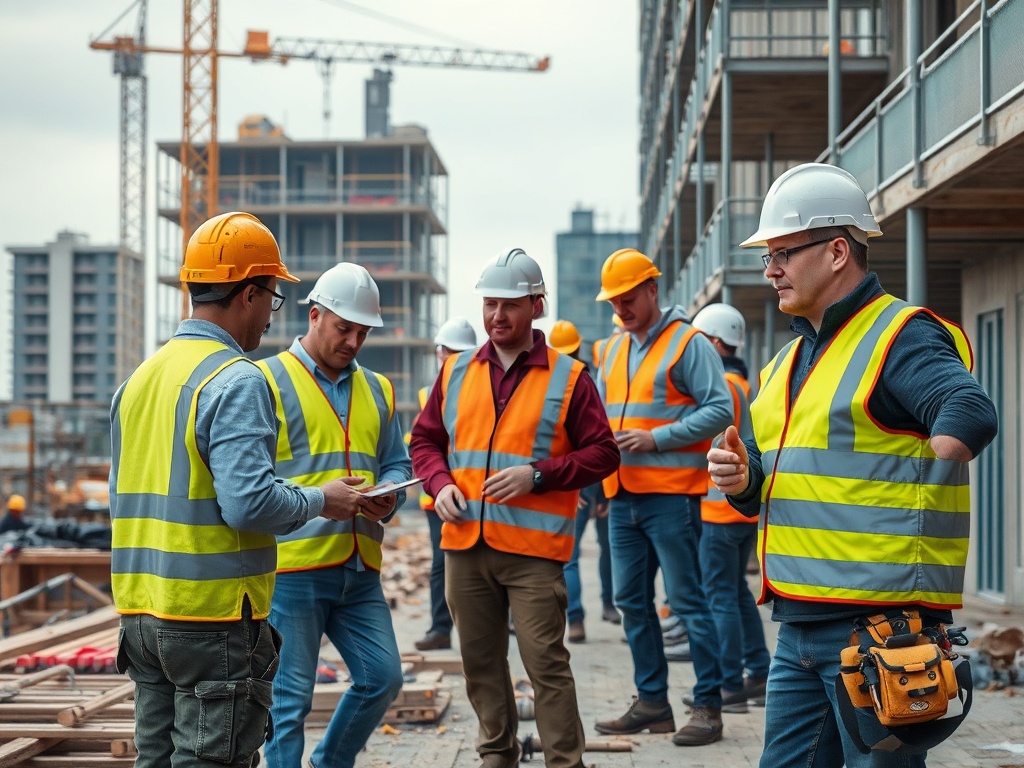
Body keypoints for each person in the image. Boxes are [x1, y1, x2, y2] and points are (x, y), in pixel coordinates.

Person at [706, 163, 998, 767]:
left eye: (783, 253)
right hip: (799, 623)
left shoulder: (900, 336)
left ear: (838, 251)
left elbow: (968, 408)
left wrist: (936, 462)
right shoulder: (786, 362)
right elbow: (773, 479)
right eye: (767, 256)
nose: (770, 269)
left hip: (884, 628)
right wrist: (743, 478)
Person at [109, 211, 370, 768]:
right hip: (212, 617)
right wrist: (322, 499)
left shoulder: (139, 381)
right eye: (272, 298)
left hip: (141, 612)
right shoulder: (235, 378)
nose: (271, 318)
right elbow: (249, 504)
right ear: (249, 293)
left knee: (154, 760)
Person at [410, 248, 619, 768]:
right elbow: (425, 441)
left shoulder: (570, 377)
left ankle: (565, 762)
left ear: (536, 306)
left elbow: (604, 453)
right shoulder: (455, 371)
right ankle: (496, 756)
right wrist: (439, 483)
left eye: (509, 305)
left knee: (546, 665)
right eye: (490, 304)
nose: (497, 316)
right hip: (465, 545)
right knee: (479, 663)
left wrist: (538, 475)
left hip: (533, 552)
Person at [257, 262, 413, 768]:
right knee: (289, 703)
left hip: (359, 566)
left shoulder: (379, 388)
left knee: (382, 677)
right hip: (293, 567)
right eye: (344, 328)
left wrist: (391, 493)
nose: (353, 341)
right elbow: (251, 480)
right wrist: (320, 498)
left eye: (363, 332)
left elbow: (397, 461)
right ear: (315, 315)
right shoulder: (267, 380)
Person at [591, 248, 734, 747]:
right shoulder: (611, 349)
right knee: (630, 602)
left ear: (652, 290)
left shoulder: (687, 344)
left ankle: (709, 707)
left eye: (628, 299)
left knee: (688, 602)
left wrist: (658, 438)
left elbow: (720, 408)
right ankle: (653, 702)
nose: (621, 309)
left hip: (671, 497)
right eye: (614, 301)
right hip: (622, 496)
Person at [683, 303, 771, 712]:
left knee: (720, 595)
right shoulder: (743, 385)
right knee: (735, 592)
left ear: (716, 344)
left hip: (719, 510)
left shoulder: (721, 387)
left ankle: (730, 683)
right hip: (737, 508)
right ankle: (758, 672)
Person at [413, 317, 479, 652]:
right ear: (440, 354)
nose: (450, 359)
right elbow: (422, 442)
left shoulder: (481, 391)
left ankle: (485, 626)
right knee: (442, 564)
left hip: (473, 492)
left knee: (481, 561)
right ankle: (441, 628)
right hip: (436, 496)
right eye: (447, 353)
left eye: (458, 353)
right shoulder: (428, 394)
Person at [549, 319, 617, 644]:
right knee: (607, 548)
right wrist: (603, 494)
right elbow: (604, 442)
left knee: (571, 556)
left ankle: (576, 620)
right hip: (595, 479)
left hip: (572, 481)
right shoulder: (593, 382)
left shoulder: (550, 385)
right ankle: (608, 605)